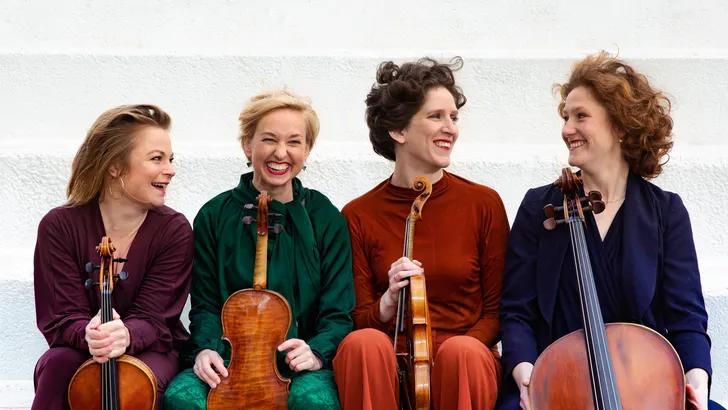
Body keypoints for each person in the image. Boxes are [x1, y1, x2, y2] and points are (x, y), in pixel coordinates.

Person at [496, 51, 724, 410]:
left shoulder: (665, 212)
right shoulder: (540, 207)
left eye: (581, 116)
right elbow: (517, 312)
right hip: (558, 383)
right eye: (566, 117)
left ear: (619, 125)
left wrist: (695, 379)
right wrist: (528, 378)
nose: (566, 129)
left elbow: (686, 317)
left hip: (645, 386)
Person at [332, 57, 510, 410]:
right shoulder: (358, 214)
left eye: (453, 117)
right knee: (361, 344)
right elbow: (357, 319)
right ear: (398, 131)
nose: (450, 128)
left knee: (463, 353)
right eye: (436, 116)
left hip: (462, 363)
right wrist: (387, 303)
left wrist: (443, 359)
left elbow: (496, 312)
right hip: (387, 362)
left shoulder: (483, 204)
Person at [161, 89, 355, 410]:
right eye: (269, 139)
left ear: (307, 150)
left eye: (294, 142)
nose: (281, 153)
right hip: (228, 360)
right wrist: (205, 350)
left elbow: (338, 312)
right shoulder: (214, 215)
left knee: (314, 402)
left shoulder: (325, 217)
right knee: (182, 398)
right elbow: (206, 305)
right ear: (247, 145)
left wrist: (316, 352)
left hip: (299, 366)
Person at [32, 104, 194, 410]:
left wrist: (127, 334)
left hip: (152, 349)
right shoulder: (59, 226)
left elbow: (157, 319)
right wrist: (90, 334)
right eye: (156, 158)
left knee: (135, 379)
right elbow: (61, 316)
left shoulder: (174, 230)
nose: (170, 170)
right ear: (115, 166)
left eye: (170, 159)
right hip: (82, 346)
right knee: (58, 364)